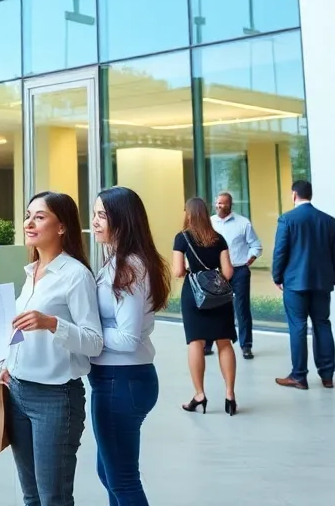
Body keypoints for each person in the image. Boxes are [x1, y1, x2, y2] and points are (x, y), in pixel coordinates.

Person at [0, 191, 103, 506]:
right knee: (31, 496)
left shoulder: (75, 276)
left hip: (55, 399)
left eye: (39, 216)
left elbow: (94, 342)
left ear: (61, 227)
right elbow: (23, 331)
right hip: (17, 391)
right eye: (28, 215)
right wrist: (8, 364)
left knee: (53, 498)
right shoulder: (32, 274)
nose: (29, 223)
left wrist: (52, 323)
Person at [88, 186, 171, 505]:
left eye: (101, 215)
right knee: (110, 474)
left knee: (122, 480)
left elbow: (127, 337)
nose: (94, 222)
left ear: (122, 220)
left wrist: (83, 334)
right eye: (94, 214)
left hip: (121, 383)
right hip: (119, 381)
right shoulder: (120, 262)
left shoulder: (130, 268)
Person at [272, 180, 335, 390]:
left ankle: (299, 376)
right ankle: (327, 375)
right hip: (322, 283)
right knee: (322, 324)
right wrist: (331, 277)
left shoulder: (287, 219)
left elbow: (280, 251)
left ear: (294, 195)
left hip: (295, 283)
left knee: (298, 327)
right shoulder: (328, 220)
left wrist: (277, 277)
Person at [172, 197, 238, 415]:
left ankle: (199, 395)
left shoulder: (182, 238)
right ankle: (230, 394)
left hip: (194, 295)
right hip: (219, 295)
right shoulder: (219, 239)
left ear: (188, 214)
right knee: (224, 343)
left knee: (196, 343)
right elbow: (228, 273)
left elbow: (178, 271)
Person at [205, 191, 262, 359]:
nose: (219, 206)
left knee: (242, 308)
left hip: (238, 271)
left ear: (230, 205)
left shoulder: (243, 223)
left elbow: (256, 245)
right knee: (213, 307)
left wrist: (249, 259)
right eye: (217, 203)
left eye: (223, 203)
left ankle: (246, 346)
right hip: (216, 272)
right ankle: (208, 344)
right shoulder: (209, 223)